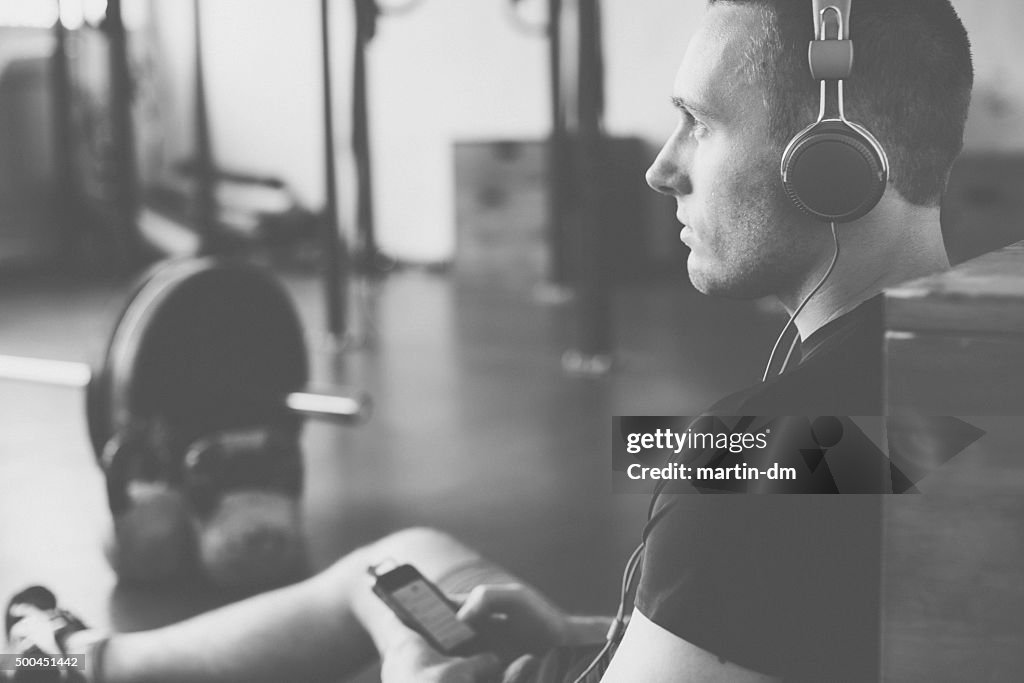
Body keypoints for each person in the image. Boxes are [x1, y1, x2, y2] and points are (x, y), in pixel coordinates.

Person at [6, 0, 973, 681]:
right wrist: (596, 627)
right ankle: (67, 658)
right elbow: (824, 615)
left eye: (697, 123)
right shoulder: (972, 354)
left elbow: (761, 525)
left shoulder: (758, 467)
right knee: (403, 562)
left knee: (387, 603)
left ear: (833, 163)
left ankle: (44, 659)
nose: (660, 169)